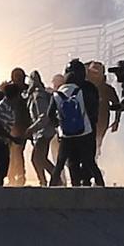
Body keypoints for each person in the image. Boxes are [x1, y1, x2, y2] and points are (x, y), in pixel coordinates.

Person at [48, 59, 102, 187]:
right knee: (90, 162)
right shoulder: (89, 88)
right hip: (86, 133)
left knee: (65, 163)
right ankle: (101, 190)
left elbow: (50, 115)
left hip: (67, 135)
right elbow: (94, 112)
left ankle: (52, 192)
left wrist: (61, 127)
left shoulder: (58, 92)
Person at [25, 71, 58, 187]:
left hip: (43, 132)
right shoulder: (39, 94)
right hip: (43, 132)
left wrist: (30, 129)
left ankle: (50, 180)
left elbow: (43, 117)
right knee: (40, 159)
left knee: (36, 159)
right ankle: (49, 180)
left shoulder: (38, 96)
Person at [85, 61, 121, 159]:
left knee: (96, 145)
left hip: (101, 123)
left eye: (96, 73)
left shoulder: (107, 89)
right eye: (92, 73)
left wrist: (117, 121)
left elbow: (117, 105)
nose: (94, 76)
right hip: (85, 122)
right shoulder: (84, 87)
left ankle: (93, 164)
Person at [3, 67, 31, 186]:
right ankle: (13, 176)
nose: (19, 79)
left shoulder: (27, 90)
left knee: (17, 152)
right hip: (10, 126)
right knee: (13, 153)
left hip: (22, 126)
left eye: (21, 77)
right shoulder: (8, 90)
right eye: (17, 77)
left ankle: (18, 176)